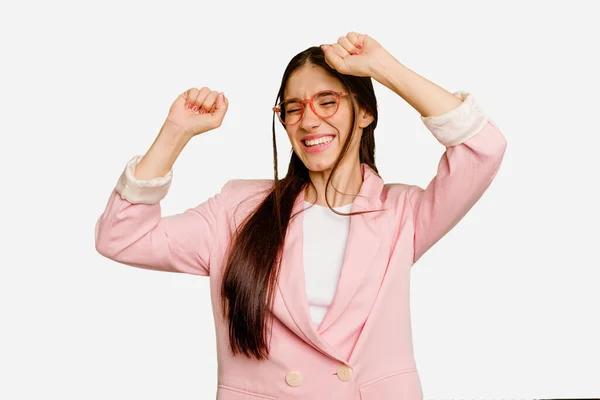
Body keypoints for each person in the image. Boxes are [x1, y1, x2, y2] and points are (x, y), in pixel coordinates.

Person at [95, 32, 507, 399]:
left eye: (328, 101)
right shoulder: (237, 210)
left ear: (365, 113)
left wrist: (384, 67)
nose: (309, 120)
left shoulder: (402, 214)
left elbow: (482, 148)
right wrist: (175, 132)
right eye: (293, 109)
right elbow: (121, 238)